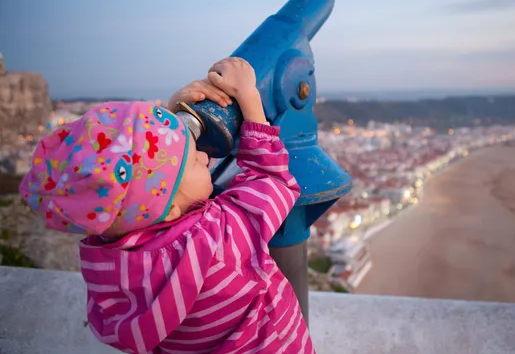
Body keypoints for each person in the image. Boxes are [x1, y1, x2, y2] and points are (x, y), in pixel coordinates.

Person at [19, 57, 315, 353]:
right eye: (193, 160)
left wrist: (174, 118)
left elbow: (144, 181)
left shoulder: (106, 261)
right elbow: (273, 180)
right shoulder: (218, 245)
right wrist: (250, 100)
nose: (204, 157)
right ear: (170, 210)